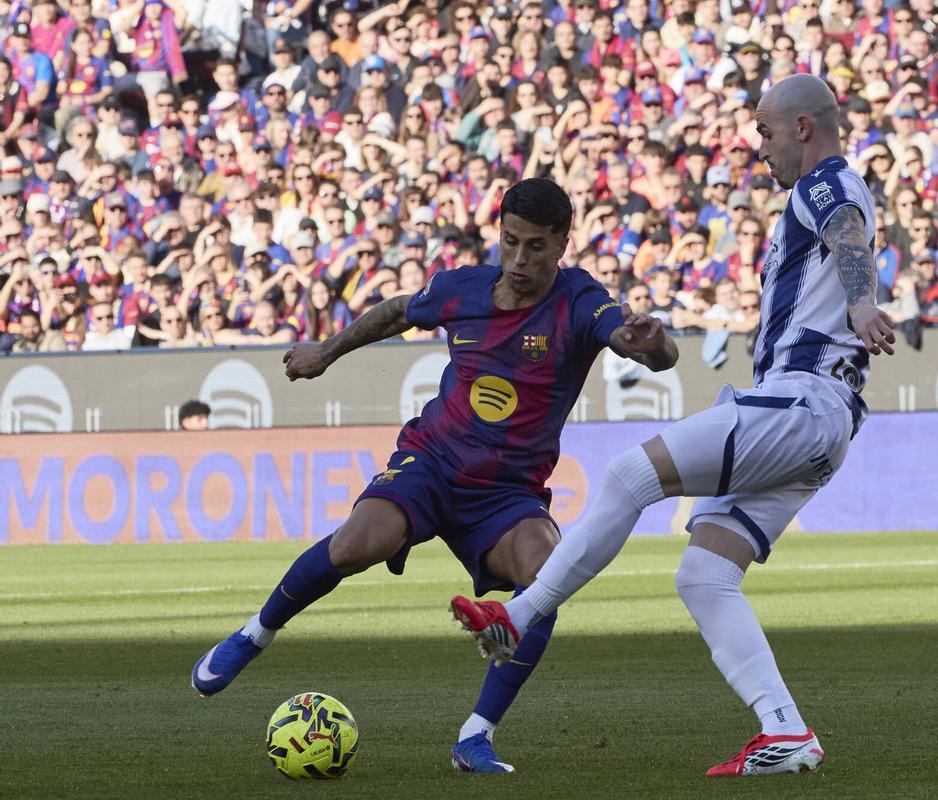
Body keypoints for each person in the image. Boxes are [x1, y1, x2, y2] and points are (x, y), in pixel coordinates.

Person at [450, 74, 896, 778]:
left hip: (802, 402)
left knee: (631, 473)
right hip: (819, 425)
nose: (761, 147)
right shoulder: (819, 193)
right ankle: (785, 731)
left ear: (803, 128)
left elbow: (846, 231)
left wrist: (864, 300)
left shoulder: (825, 183)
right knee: (705, 575)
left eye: (766, 131)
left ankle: (520, 615)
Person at [189, 178, 677, 774]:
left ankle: (475, 738)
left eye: (537, 248)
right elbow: (396, 312)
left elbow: (632, 341)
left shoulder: (579, 301)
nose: (521, 261)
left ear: (562, 245)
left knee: (547, 580)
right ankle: (254, 634)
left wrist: (655, 347)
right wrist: (328, 351)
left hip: (506, 493)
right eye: (511, 243)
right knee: (354, 545)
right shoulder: (462, 288)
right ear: (499, 234)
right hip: (433, 461)